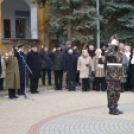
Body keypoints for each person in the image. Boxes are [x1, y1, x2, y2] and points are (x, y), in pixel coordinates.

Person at [105, 38, 123, 115]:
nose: (118, 43)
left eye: (118, 41)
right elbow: (107, 55)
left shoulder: (118, 52)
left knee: (117, 92)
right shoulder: (109, 51)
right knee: (111, 92)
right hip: (111, 76)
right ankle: (111, 108)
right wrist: (112, 45)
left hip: (118, 76)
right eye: (116, 41)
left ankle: (115, 107)